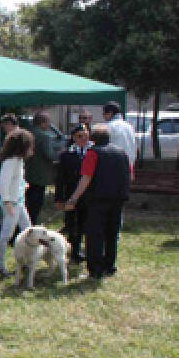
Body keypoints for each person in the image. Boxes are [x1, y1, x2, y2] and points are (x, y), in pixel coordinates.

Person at [63, 124, 131, 278]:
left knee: (95, 235)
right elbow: (129, 175)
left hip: (98, 199)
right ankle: (110, 265)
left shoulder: (92, 153)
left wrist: (73, 198)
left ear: (93, 139)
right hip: (118, 198)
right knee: (112, 233)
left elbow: (86, 178)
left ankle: (95, 269)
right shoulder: (122, 153)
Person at [0, 128, 34, 278]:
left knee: (27, 229)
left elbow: (16, 181)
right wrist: (7, 202)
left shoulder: (18, 161)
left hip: (19, 201)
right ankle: (1, 265)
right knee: (6, 235)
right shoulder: (10, 162)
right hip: (11, 203)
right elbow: (2, 184)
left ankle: (27, 260)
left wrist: (23, 185)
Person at [54, 124, 92, 262]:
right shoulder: (66, 155)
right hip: (71, 194)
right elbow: (60, 178)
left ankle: (85, 250)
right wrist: (59, 198)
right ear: (74, 138)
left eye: (85, 135)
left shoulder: (93, 152)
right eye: (79, 136)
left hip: (88, 195)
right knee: (72, 224)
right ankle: (73, 251)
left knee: (86, 223)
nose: (83, 139)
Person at [25, 111, 63, 224]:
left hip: (29, 173)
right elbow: (50, 155)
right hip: (41, 175)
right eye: (48, 122)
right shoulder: (44, 136)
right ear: (42, 123)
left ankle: (26, 224)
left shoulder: (29, 133)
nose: (49, 125)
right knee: (36, 203)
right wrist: (61, 154)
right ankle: (32, 223)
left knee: (28, 201)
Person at [103, 102, 137, 177]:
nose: (104, 117)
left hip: (113, 167)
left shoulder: (109, 126)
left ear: (110, 113)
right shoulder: (129, 126)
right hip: (129, 167)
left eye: (104, 114)